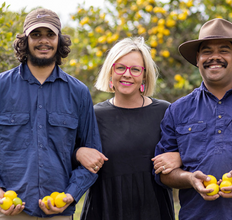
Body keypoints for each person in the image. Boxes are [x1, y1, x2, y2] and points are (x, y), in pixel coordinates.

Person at [0, 8, 106, 219]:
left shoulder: (78, 92)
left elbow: (92, 157)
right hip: (7, 211)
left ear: (59, 40)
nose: (43, 41)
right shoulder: (2, 87)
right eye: (36, 34)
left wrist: (71, 194)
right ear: (25, 40)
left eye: (50, 34)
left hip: (59, 212)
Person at [154, 18, 232, 220]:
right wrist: (189, 178)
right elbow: (163, 172)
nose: (215, 57)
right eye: (207, 51)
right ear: (198, 59)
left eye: (223, 50)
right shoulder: (177, 110)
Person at [73, 37, 181, 220]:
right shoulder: (93, 115)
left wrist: (180, 157)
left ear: (145, 75)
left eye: (136, 69)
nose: (127, 74)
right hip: (104, 210)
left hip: (154, 210)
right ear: (110, 71)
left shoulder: (165, 111)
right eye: (120, 67)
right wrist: (78, 153)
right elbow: (65, 154)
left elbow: (191, 150)